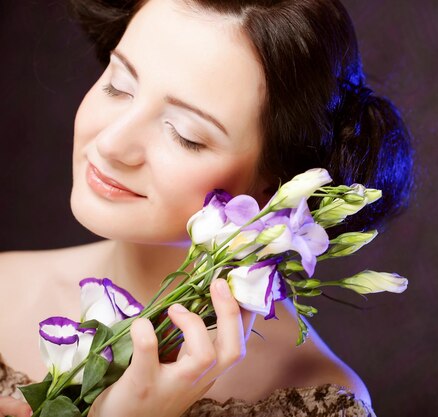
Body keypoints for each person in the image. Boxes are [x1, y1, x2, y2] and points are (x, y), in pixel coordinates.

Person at [0, 0, 414, 415]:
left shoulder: (316, 399)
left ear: (275, 189)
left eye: (185, 134)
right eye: (118, 85)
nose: (111, 144)